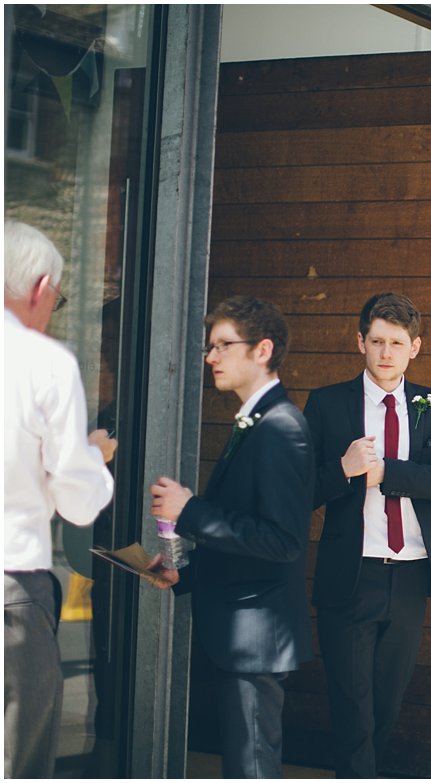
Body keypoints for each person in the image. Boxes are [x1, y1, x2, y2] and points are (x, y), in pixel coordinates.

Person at [304, 291, 431, 778]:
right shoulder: (327, 404)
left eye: (396, 343)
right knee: (352, 709)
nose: (385, 353)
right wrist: (343, 469)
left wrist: (389, 473)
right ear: (360, 341)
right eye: (376, 340)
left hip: (410, 579)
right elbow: (295, 491)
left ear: (414, 347)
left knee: (386, 705)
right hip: (351, 574)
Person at [147, 296, 314, 778]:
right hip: (241, 632)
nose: (210, 357)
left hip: (256, 636)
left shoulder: (281, 428)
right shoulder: (256, 422)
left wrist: (189, 510)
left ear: (262, 350)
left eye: (223, 345)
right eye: (209, 346)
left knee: (252, 768)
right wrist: (186, 572)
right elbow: (250, 532)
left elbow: (282, 541)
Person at [4, 220, 117, 777]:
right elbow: (77, 501)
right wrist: (93, 456)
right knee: (18, 757)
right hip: (11, 593)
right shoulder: (44, 363)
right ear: (41, 287)